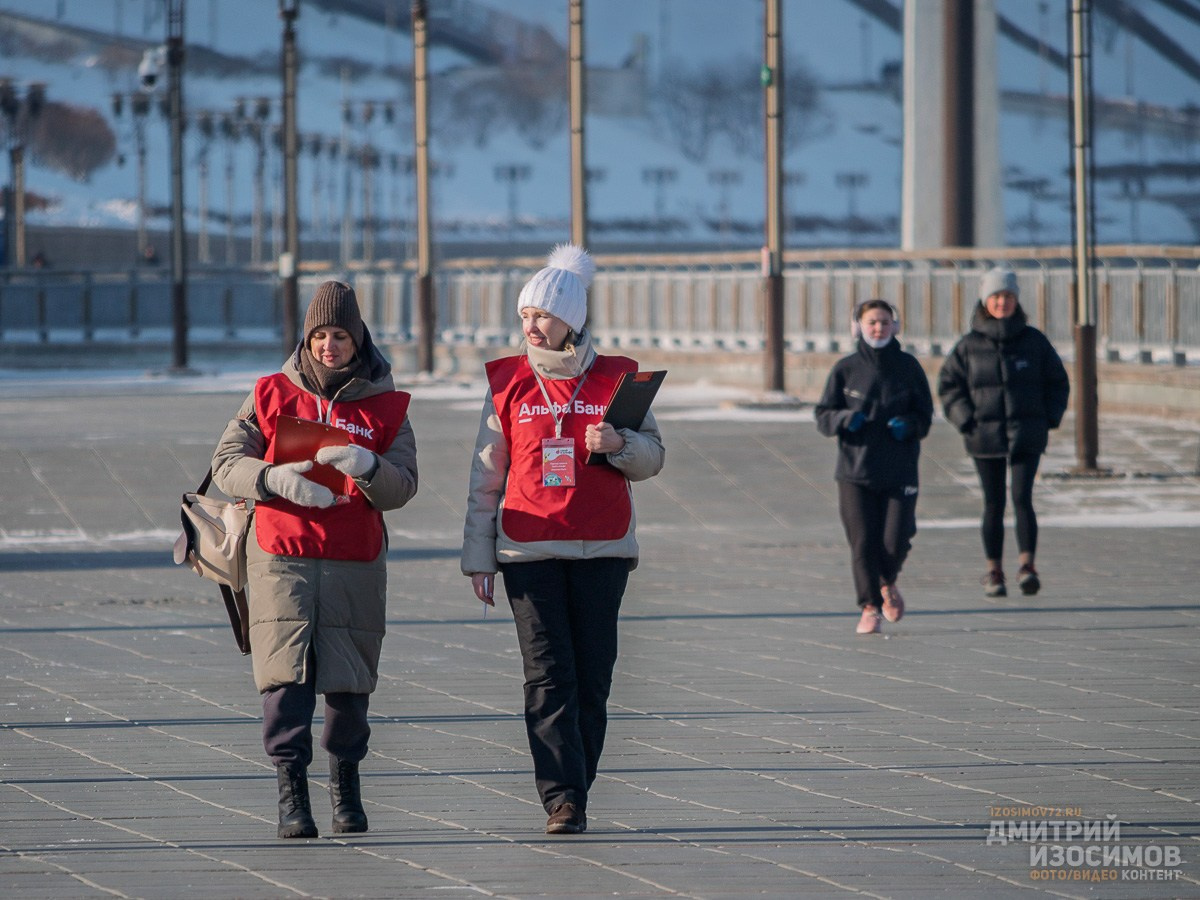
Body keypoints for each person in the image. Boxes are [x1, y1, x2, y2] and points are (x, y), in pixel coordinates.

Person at [461, 243, 665, 835]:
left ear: (571, 319)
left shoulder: (618, 378)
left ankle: (578, 782)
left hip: (603, 549)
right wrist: (479, 556)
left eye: (542, 316)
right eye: (525, 316)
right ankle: (561, 799)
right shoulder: (507, 383)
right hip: (528, 548)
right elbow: (485, 477)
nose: (531, 326)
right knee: (549, 677)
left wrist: (618, 447)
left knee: (594, 677)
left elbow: (653, 457)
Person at [211, 281, 418, 839]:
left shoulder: (386, 405)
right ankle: (292, 794)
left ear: (359, 340)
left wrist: (366, 465)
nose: (330, 346)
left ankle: (346, 790)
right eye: (320, 335)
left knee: (351, 685)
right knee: (285, 681)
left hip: (355, 559)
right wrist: (271, 478)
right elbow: (227, 461)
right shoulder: (270, 393)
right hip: (281, 556)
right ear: (307, 339)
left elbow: (403, 485)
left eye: (341, 335)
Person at [937, 267, 1070, 598]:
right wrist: (966, 420)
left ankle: (1027, 566)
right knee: (993, 503)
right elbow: (949, 386)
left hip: (1027, 432)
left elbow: (1058, 382)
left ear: (1016, 300)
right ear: (985, 301)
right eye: (996, 297)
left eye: (1008, 297)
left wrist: (1048, 418)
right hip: (984, 435)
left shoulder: (1034, 341)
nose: (1002, 303)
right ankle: (993, 570)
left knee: (1022, 498)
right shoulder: (968, 345)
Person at [815, 299, 933, 635]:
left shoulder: (909, 367)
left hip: (899, 469)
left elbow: (925, 418)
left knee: (896, 539)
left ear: (895, 326)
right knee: (863, 542)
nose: (878, 328)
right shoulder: (846, 368)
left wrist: (908, 425)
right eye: (871, 322)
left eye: (884, 322)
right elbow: (823, 416)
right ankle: (869, 606)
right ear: (859, 327)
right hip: (855, 471)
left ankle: (888, 581)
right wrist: (843, 418)